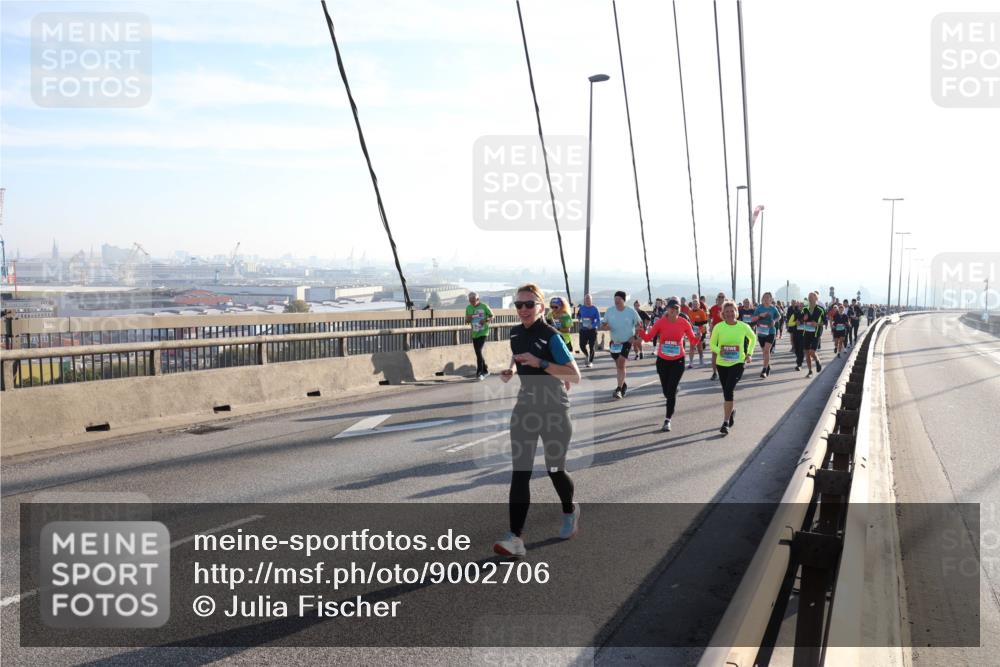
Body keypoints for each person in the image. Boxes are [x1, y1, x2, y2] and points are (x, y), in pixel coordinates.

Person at [494, 283, 581, 557]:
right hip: (526, 407)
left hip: (554, 409)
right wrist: (512, 368)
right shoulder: (515, 332)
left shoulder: (551, 336)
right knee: (520, 472)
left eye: (529, 304)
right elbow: (518, 352)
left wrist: (540, 363)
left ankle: (570, 510)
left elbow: (574, 375)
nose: (523, 309)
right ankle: (515, 538)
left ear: (541, 307)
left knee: (555, 470)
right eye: (519, 305)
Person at [635, 298, 700, 431]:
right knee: (666, 391)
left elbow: (693, 341)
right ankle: (673, 391)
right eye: (672, 308)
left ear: (679, 310)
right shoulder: (661, 322)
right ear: (667, 309)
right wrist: (641, 331)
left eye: (677, 308)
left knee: (670, 392)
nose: (674, 310)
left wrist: (698, 336)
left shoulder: (684, 322)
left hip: (678, 360)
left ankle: (667, 419)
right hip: (663, 361)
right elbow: (648, 338)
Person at [709, 300, 756, 436]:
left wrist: (749, 354)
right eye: (727, 312)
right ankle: (731, 412)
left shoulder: (743, 326)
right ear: (723, 314)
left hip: (738, 363)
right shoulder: (719, 327)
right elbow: (712, 344)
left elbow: (753, 338)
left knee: (729, 390)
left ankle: (725, 422)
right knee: (726, 392)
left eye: (732, 311)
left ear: (736, 312)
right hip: (722, 363)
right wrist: (720, 351)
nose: (730, 314)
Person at [600, 290, 643, 399]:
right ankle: (623, 385)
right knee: (619, 366)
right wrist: (605, 327)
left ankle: (619, 389)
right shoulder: (610, 311)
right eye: (615, 299)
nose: (616, 301)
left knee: (621, 362)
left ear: (623, 300)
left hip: (626, 342)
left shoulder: (631, 311)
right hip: (614, 343)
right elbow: (603, 325)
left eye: (619, 299)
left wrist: (634, 336)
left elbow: (640, 325)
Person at [751, 292, 781, 378]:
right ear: (762, 299)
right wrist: (760, 315)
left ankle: (764, 370)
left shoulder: (773, 308)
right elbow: (753, 319)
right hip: (761, 332)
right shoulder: (759, 308)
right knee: (764, 352)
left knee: (767, 350)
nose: (766, 299)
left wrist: (774, 321)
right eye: (764, 297)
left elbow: (779, 317)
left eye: (768, 297)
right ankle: (767, 365)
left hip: (771, 332)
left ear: (771, 299)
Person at [465, 292, 493, 380]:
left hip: (483, 332)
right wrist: (468, 319)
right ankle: (485, 370)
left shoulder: (484, 306)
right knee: (478, 352)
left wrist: (485, 320)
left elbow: (492, 316)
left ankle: (480, 372)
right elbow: (466, 320)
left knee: (478, 351)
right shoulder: (468, 308)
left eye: (473, 300)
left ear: (478, 299)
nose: (472, 302)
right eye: (470, 301)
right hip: (475, 332)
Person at [798, 292, 825, 378]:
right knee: (807, 353)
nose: (810, 299)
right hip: (806, 333)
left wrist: (817, 324)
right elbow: (798, 321)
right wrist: (803, 319)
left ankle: (817, 360)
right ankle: (810, 371)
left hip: (816, 333)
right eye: (809, 297)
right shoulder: (805, 309)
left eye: (812, 297)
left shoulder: (821, 309)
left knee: (812, 352)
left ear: (816, 298)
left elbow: (825, 322)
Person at [576, 294, 601, 368]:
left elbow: (598, 320)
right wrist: (579, 318)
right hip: (583, 330)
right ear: (584, 300)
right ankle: (586, 355)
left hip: (592, 330)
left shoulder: (595, 309)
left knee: (591, 346)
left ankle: (590, 362)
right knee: (581, 345)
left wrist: (592, 325)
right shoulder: (581, 308)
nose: (587, 300)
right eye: (586, 299)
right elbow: (578, 315)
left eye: (589, 299)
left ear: (591, 300)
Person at [708, 292, 726, 381]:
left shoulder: (727, 308)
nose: (721, 298)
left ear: (724, 298)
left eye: (722, 297)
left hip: (725, 333)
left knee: (724, 352)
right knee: (714, 353)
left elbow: (731, 319)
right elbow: (709, 317)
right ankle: (714, 373)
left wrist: (721, 317)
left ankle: (725, 371)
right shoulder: (713, 308)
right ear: (717, 298)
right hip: (715, 333)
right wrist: (710, 324)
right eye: (719, 296)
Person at [688, 299, 709, 366]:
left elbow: (705, 322)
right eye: (693, 304)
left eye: (696, 304)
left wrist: (697, 323)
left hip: (700, 331)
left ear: (699, 305)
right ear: (692, 305)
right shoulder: (689, 312)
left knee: (699, 347)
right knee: (692, 346)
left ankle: (701, 360)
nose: (695, 305)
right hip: (692, 331)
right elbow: (688, 321)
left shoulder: (701, 312)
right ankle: (691, 362)